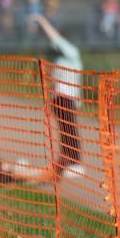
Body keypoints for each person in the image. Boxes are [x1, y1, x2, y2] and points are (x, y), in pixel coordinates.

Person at [29, 12, 84, 179]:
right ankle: (66, 162)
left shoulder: (72, 52)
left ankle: (75, 163)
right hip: (58, 98)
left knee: (69, 130)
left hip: (67, 98)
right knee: (63, 131)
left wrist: (42, 21)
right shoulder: (61, 57)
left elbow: (56, 39)